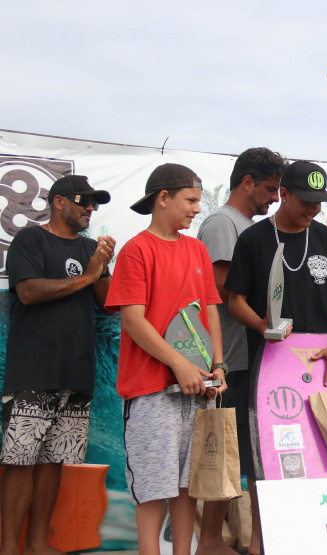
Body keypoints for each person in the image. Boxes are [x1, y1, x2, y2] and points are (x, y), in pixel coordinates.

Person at [105, 164, 227, 554]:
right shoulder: (136, 250)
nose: (196, 209)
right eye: (190, 200)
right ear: (163, 198)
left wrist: (218, 367)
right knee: (152, 484)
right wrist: (178, 363)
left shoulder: (197, 249)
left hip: (197, 389)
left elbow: (210, 311)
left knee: (186, 483)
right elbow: (133, 320)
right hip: (150, 391)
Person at [0, 175, 114, 555]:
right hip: (33, 371)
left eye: (95, 204)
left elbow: (107, 303)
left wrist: (103, 267)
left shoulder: (89, 248)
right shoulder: (30, 240)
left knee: (54, 461)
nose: (90, 209)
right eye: (84, 201)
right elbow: (29, 292)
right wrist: (87, 276)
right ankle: (8, 548)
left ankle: (36, 544)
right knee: (20, 462)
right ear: (59, 202)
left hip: (76, 372)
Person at [196, 148, 285, 555]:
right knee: (226, 454)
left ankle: (252, 542)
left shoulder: (249, 226)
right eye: (270, 189)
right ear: (246, 182)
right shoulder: (222, 223)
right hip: (229, 359)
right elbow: (217, 290)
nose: (275, 199)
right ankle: (211, 542)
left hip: (253, 359)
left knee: (251, 457)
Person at [224, 159, 327, 393]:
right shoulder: (252, 239)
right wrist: (260, 325)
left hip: (322, 359)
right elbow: (235, 300)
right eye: (307, 202)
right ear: (284, 194)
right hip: (269, 361)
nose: (314, 209)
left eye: (319, 202)